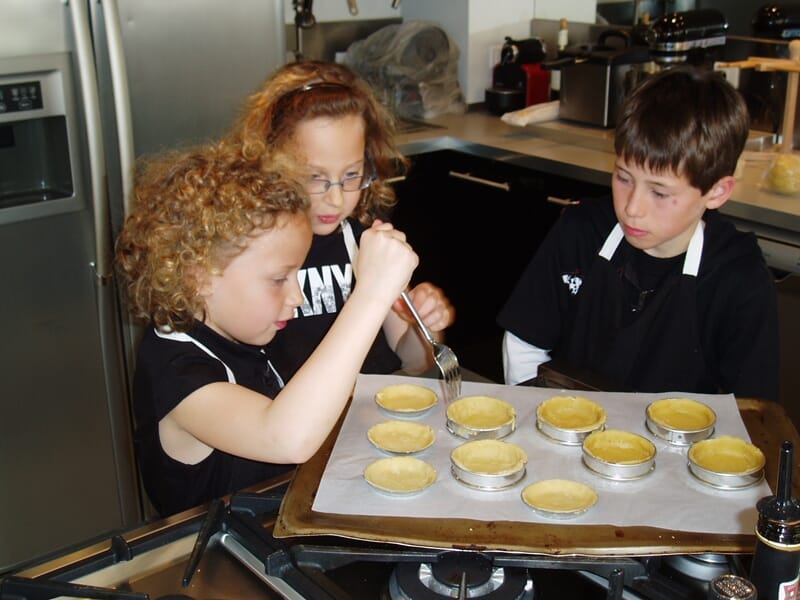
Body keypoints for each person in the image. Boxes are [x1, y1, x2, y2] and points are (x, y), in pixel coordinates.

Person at [115, 143, 418, 516]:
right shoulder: (177, 373)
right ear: (200, 278)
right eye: (279, 279)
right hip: (213, 561)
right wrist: (371, 293)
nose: (297, 295)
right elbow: (286, 438)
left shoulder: (241, 331)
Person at [497, 66, 780, 402]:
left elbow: (752, 410)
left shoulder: (737, 276)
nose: (632, 207)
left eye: (659, 193)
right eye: (623, 178)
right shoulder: (581, 231)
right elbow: (525, 346)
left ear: (716, 192)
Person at [225, 60, 455, 382]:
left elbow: (415, 362)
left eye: (351, 175)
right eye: (314, 178)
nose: (335, 199)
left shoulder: (366, 242)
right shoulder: (249, 257)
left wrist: (424, 325)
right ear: (268, 162)